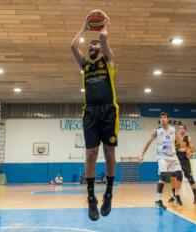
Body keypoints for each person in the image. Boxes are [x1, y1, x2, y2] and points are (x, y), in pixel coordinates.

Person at [71, 11, 118, 221]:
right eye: (90, 45)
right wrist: (83, 27)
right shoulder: (85, 66)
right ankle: (91, 198)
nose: (92, 46)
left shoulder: (108, 63)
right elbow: (72, 47)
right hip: (90, 112)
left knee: (109, 153)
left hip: (109, 111)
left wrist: (103, 27)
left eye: (95, 45)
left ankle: (108, 193)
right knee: (91, 154)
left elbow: (103, 38)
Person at [138, 112, 189, 209]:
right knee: (164, 176)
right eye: (161, 118)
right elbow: (148, 143)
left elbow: (180, 142)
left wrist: (188, 151)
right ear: (160, 120)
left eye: (164, 117)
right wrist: (142, 155)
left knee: (179, 175)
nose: (163, 119)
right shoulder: (156, 131)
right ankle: (158, 200)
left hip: (173, 157)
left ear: (168, 119)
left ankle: (176, 194)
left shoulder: (173, 130)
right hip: (162, 157)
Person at [168, 125, 196, 204]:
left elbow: (192, 149)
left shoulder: (188, 138)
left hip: (185, 160)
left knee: (190, 178)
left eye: (182, 128)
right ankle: (173, 196)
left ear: (185, 130)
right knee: (173, 178)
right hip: (175, 160)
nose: (181, 129)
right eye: (179, 128)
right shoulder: (175, 138)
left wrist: (185, 149)